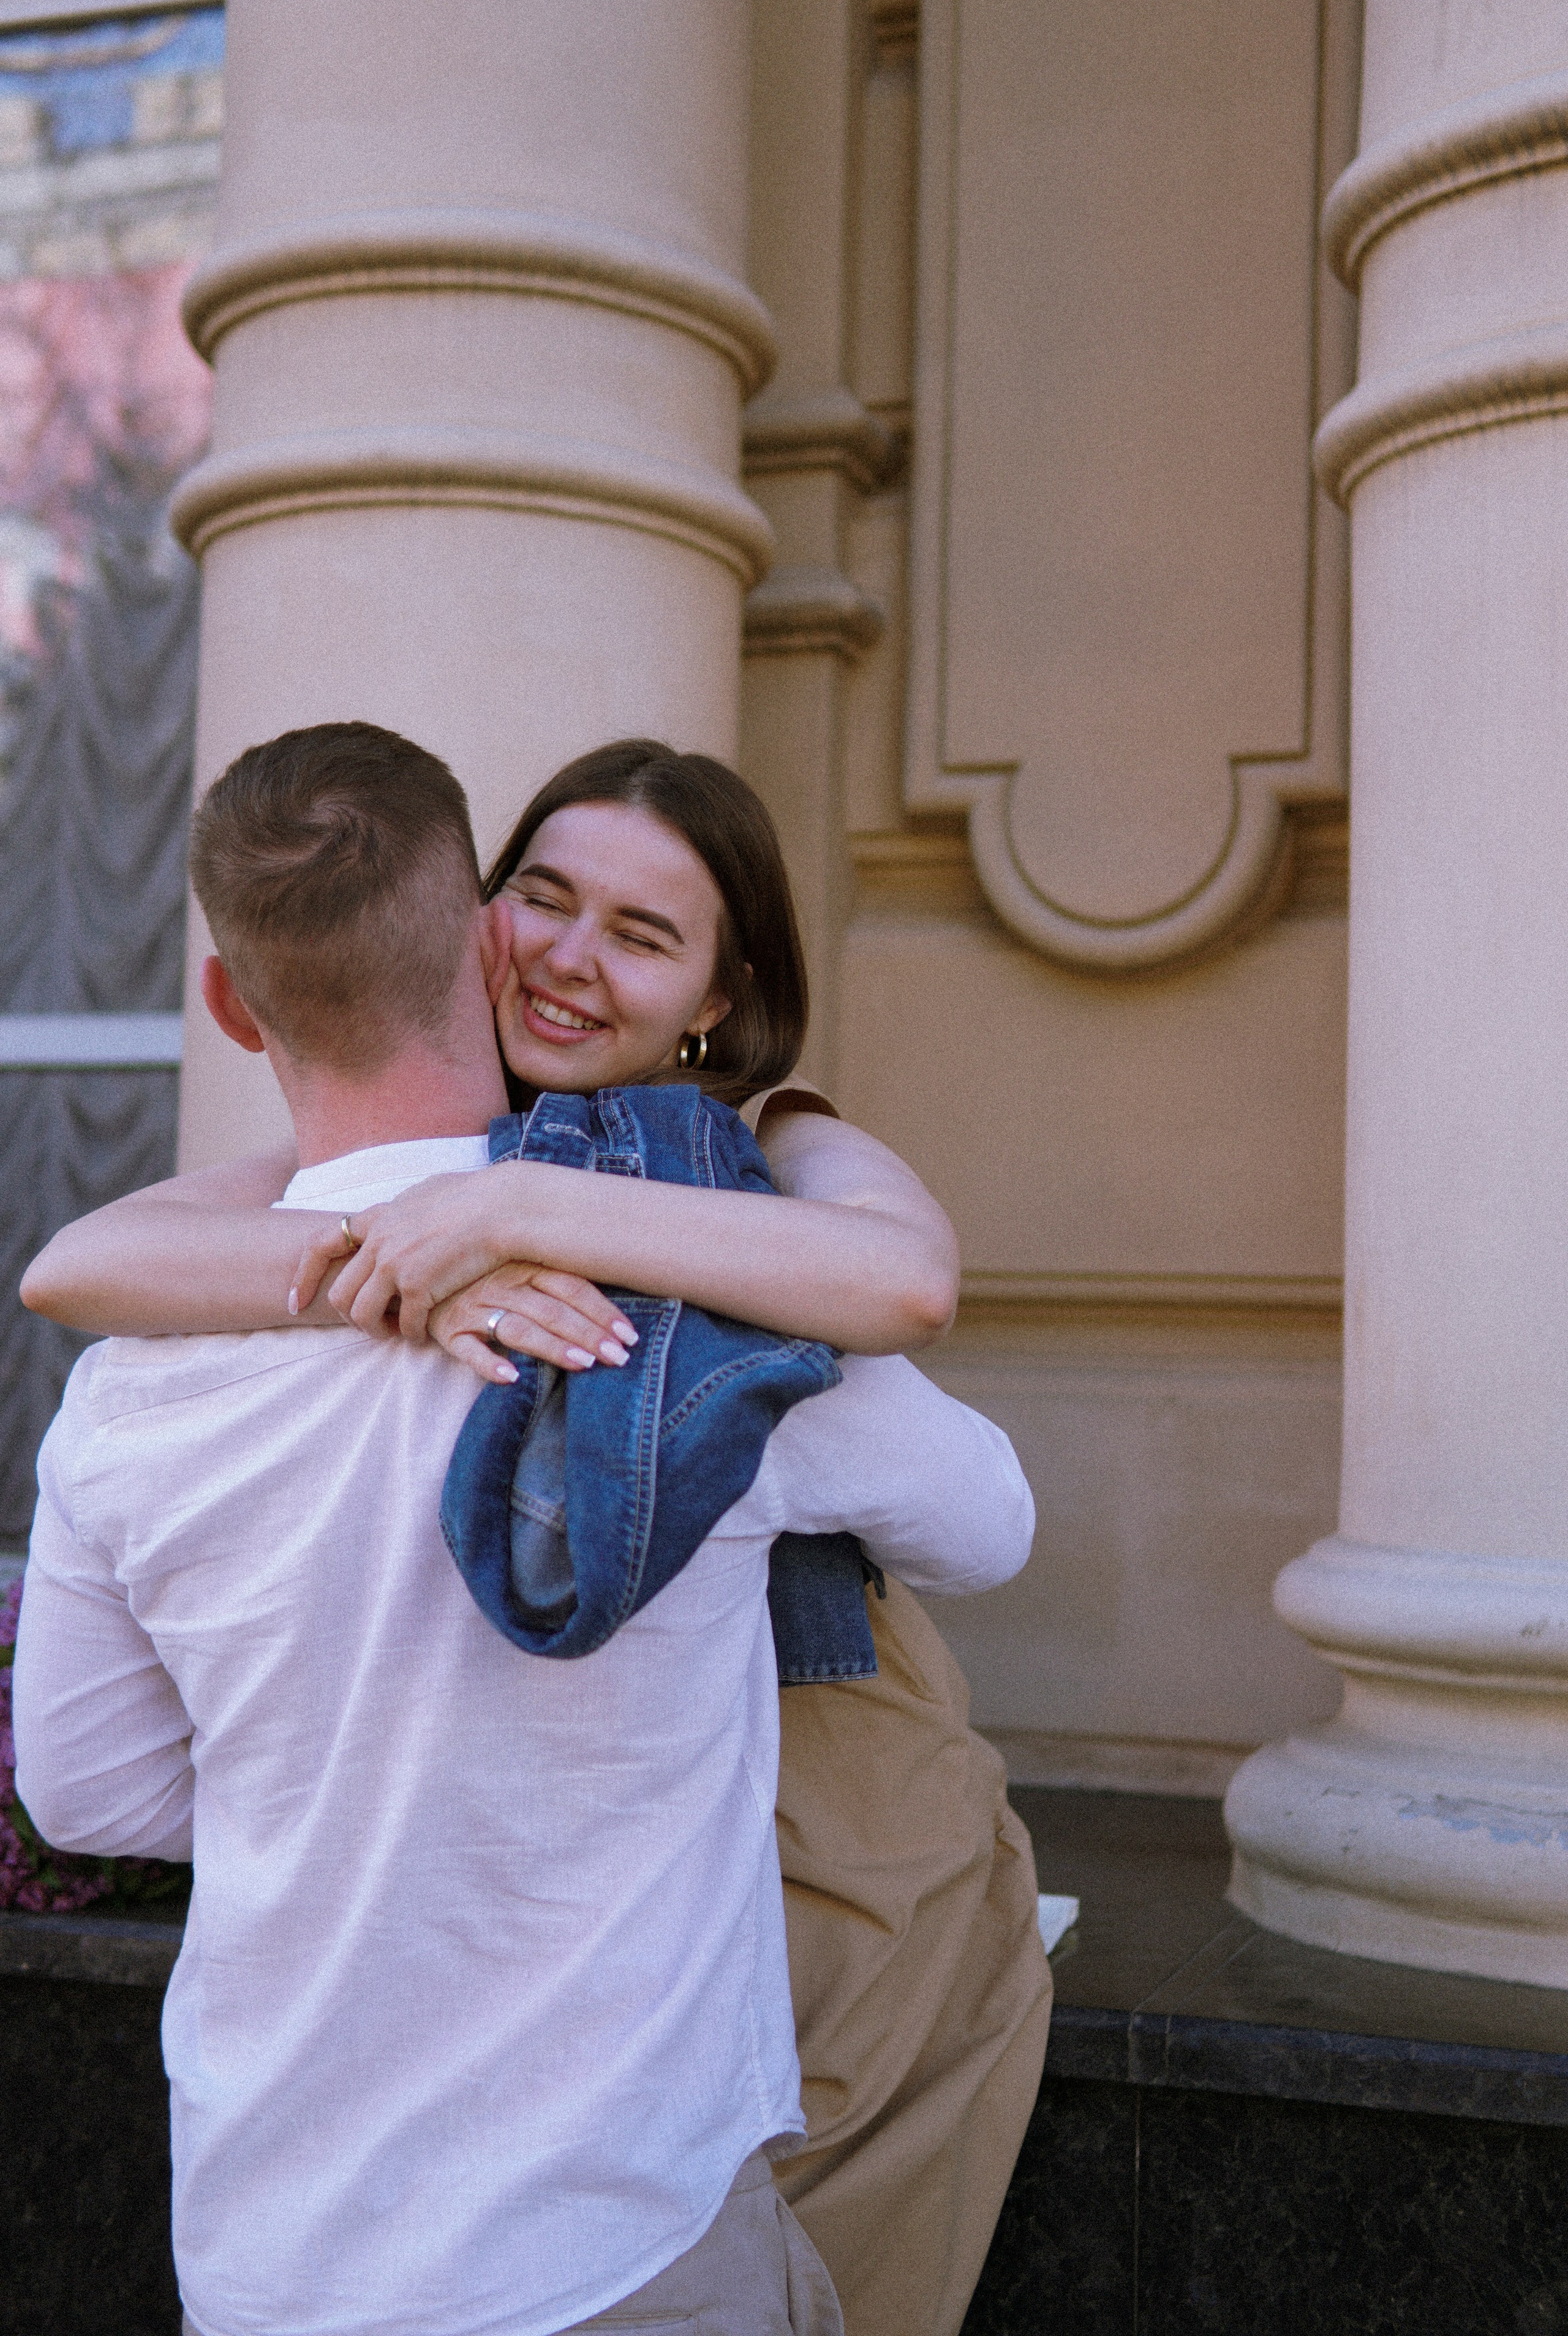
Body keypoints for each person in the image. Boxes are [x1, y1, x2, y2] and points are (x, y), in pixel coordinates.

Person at [12, 722, 1036, 2336]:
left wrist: (548, 1202)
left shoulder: (138, 1387)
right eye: (545, 899)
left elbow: (84, 1785)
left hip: (280, 2242)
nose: (567, 957)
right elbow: (988, 1519)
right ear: (477, 925)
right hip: (607, 2229)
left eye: (641, 933)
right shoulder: (679, 1328)